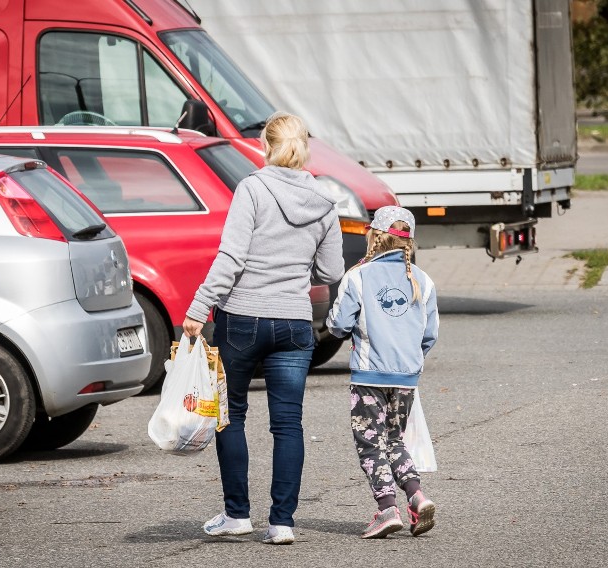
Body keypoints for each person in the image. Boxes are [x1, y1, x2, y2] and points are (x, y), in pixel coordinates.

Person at [182, 111, 344, 545]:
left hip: (243, 320)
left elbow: (232, 258)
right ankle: (282, 523)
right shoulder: (326, 203)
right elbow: (330, 270)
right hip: (294, 324)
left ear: (264, 145)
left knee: (230, 415)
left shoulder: (252, 189)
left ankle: (237, 514)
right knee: (288, 424)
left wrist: (198, 308)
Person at [326, 206, 439, 539]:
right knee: (393, 439)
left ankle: (387, 508)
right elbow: (429, 335)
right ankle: (417, 496)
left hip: (369, 377)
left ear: (373, 236)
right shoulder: (423, 279)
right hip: (407, 378)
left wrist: (333, 324)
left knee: (369, 443)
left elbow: (339, 324)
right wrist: (409, 359)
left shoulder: (358, 276)